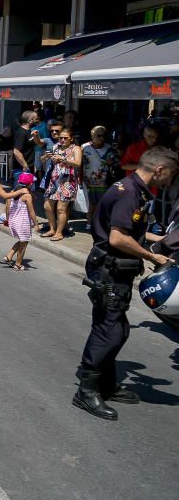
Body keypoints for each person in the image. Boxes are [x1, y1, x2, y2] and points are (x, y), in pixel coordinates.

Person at [74, 147, 178, 421]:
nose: (169, 181)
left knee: (117, 328)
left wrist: (159, 242)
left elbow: (133, 232)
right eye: (169, 174)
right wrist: (150, 255)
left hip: (117, 270)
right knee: (109, 329)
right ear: (159, 169)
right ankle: (86, 391)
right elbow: (118, 239)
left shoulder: (136, 189)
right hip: (109, 269)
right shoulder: (130, 193)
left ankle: (106, 385)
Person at [41, 128, 81, 241]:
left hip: (68, 181)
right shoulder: (56, 147)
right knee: (47, 206)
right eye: (61, 138)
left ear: (71, 138)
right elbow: (42, 159)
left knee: (61, 209)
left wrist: (63, 159)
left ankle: (59, 233)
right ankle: (52, 229)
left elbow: (78, 163)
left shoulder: (75, 148)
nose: (62, 140)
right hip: (54, 180)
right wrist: (45, 157)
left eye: (65, 138)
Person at [81, 126, 119, 231]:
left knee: (102, 203)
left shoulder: (109, 148)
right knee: (91, 204)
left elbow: (116, 163)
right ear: (92, 135)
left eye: (104, 135)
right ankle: (89, 222)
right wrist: (80, 178)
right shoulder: (84, 147)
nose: (101, 138)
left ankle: (99, 224)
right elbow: (80, 164)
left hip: (104, 181)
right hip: (88, 180)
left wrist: (113, 161)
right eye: (98, 135)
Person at [2, 172, 38, 270]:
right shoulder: (27, 196)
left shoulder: (13, 191)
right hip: (23, 222)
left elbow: (7, 205)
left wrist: (7, 219)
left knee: (22, 240)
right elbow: (31, 211)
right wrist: (36, 224)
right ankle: (18, 264)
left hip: (14, 220)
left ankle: (9, 256)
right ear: (30, 184)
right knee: (24, 242)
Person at [12, 110, 40, 179]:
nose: (38, 121)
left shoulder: (29, 131)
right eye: (36, 119)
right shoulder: (21, 133)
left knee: (28, 190)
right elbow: (16, 151)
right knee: (21, 189)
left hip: (29, 168)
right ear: (30, 120)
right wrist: (25, 165)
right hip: (21, 170)